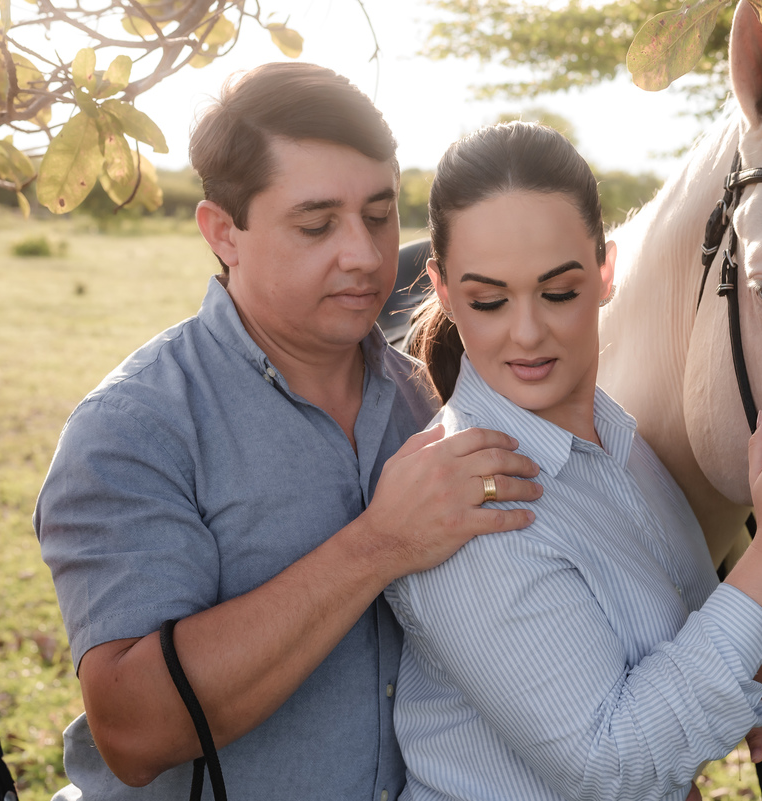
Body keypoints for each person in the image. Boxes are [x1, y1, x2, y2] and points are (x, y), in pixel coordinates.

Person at [34, 63, 542, 801]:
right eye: (316, 224)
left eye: (380, 214)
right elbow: (134, 733)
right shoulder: (134, 427)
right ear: (223, 233)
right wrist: (380, 543)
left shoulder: (434, 402)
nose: (364, 254)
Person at [386, 122, 762, 801]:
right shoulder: (469, 504)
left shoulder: (621, 443)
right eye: (489, 300)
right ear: (442, 290)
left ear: (605, 272)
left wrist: (746, 676)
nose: (526, 332)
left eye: (559, 291)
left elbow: (639, 639)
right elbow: (611, 769)